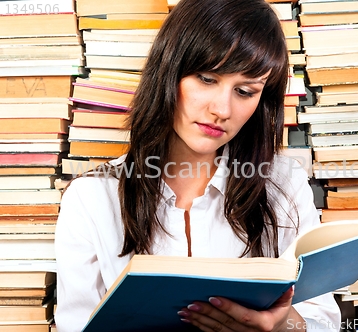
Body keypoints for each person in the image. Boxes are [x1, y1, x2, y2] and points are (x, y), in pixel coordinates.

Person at [55, 0, 341, 331]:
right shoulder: (91, 197)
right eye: (206, 78)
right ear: (169, 69)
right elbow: (76, 325)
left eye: (245, 91)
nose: (222, 109)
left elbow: (323, 319)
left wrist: (283, 325)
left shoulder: (284, 185)